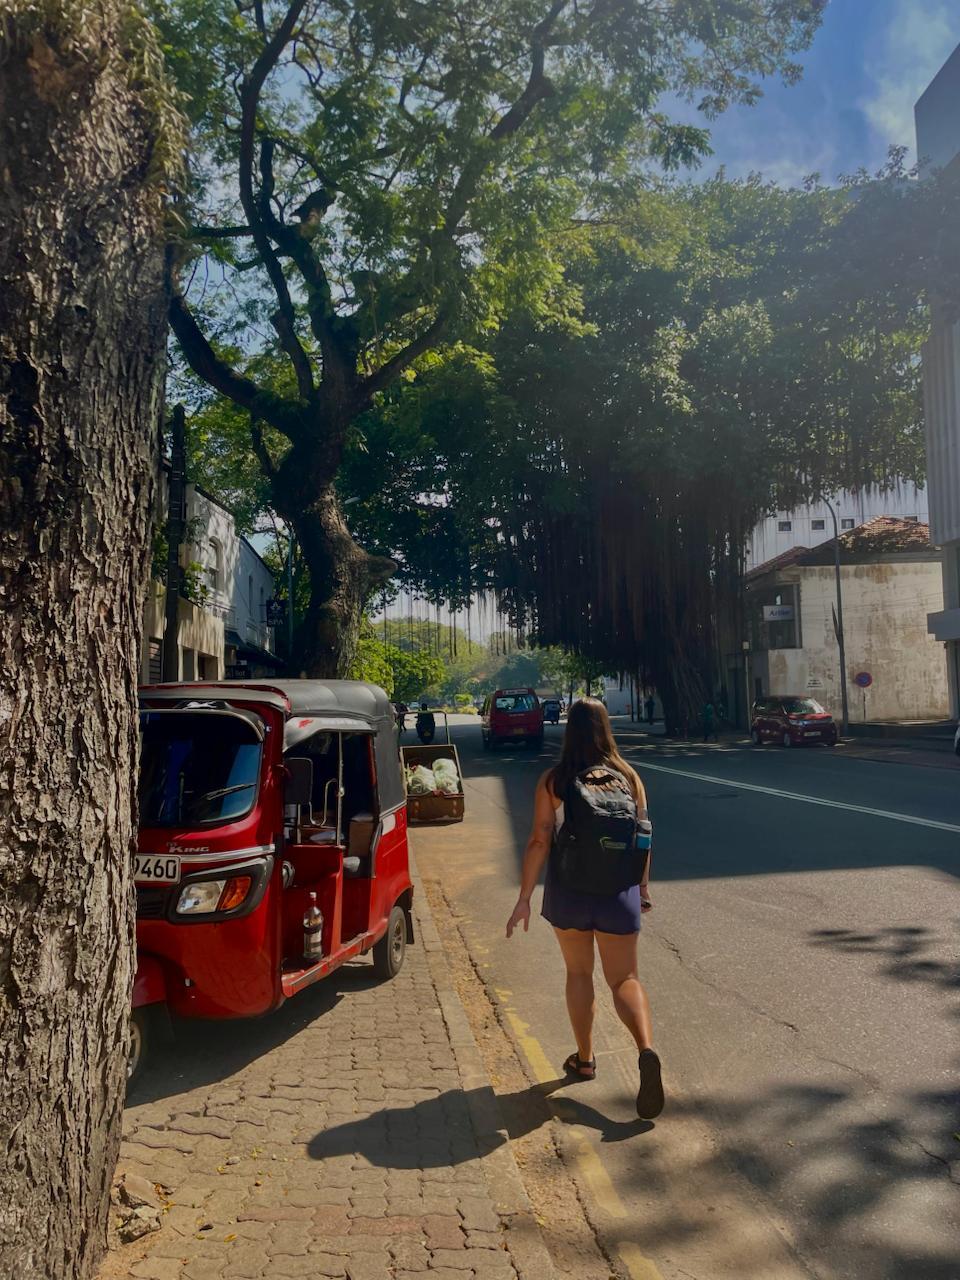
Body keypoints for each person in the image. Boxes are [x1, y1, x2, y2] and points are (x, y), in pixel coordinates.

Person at [505, 698, 663, 1120]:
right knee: (625, 977)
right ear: (606, 729)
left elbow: (540, 839)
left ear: (569, 731)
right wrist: (642, 888)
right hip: (619, 891)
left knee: (579, 973)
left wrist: (523, 897)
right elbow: (644, 836)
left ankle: (586, 1059)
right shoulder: (629, 777)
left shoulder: (555, 780)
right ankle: (646, 1049)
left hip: (570, 891)